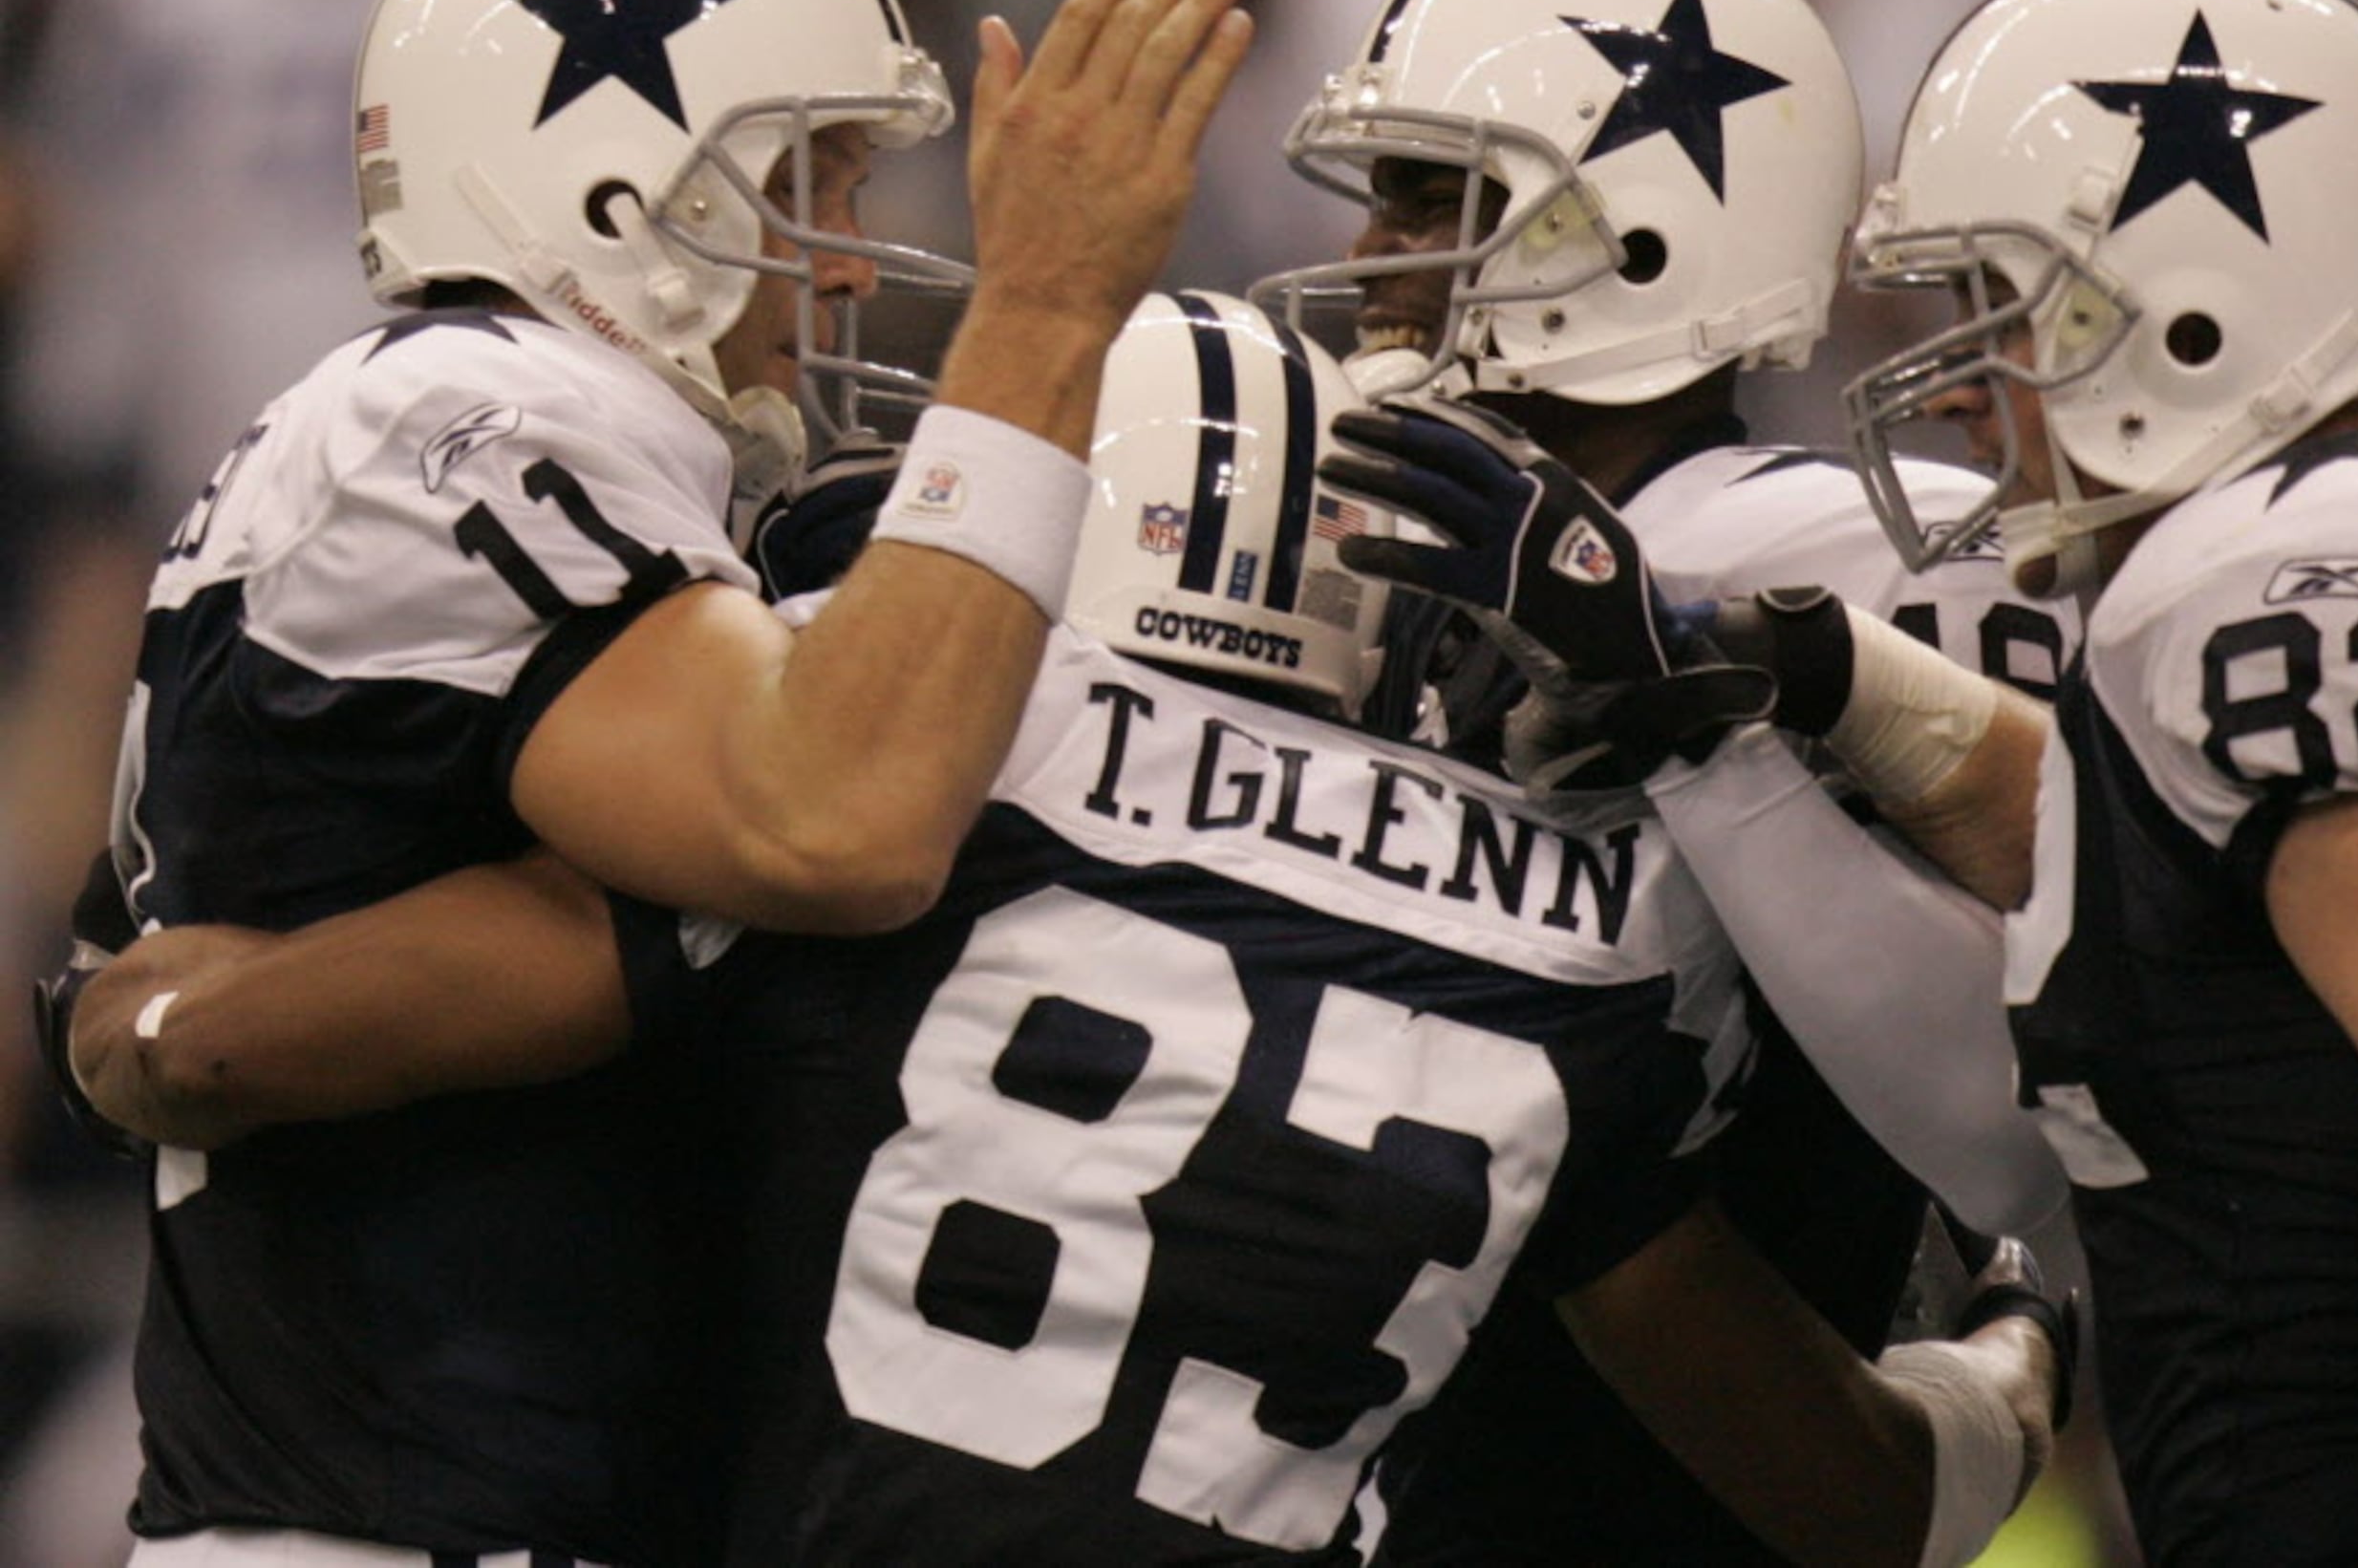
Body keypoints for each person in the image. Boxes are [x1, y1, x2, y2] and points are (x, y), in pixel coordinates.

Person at [64, 292, 2074, 1568]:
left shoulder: (909, 834)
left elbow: (243, 1044)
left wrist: (134, 1017)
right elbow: (1856, 1497)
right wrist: (2017, 1359)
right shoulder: (1579, 945)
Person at [1365, 0, 2358, 1566]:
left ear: (2192, 310)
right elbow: (2166, 934)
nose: (1962, 396)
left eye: (2003, 306)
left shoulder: (2268, 583)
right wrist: (1828, 683)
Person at [32, 0, 1254, 1567]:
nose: (849, 263)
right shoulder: (458, 408)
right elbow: (835, 819)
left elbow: (166, 1007)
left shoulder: (495, 457)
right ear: (623, 191)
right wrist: (1047, 309)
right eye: (812, 177)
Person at [1251, 0, 2073, 1563]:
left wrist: (1726, 720)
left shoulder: (1843, 558)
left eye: (1430, 195)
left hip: (1663, 1465)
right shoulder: (1351, 561)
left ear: (1632, 234)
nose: (1364, 258)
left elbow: (2046, 1096)